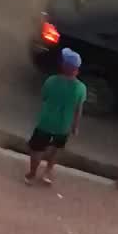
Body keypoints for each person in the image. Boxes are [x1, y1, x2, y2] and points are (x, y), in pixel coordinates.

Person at [26, 48, 87, 185]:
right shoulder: (81, 88)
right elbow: (79, 110)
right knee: (55, 149)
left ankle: (32, 174)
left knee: (37, 149)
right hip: (63, 126)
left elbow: (44, 97)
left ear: (64, 66)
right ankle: (48, 172)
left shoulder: (51, 80)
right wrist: (75, 126)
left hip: (46, 122)